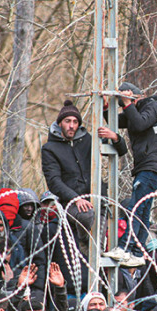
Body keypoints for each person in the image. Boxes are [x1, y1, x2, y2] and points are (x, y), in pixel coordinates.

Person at [41, 100, 128, 255]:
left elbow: (121, 151)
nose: (71, 126)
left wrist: (115, 137)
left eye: (75, 122)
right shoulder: (50, 148)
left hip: (97, 199)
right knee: (86, 216)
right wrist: (75, 198)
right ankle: (83, 241)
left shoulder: (88, 139)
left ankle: (94, 257)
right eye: (67, 121)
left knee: (96, 251)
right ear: (60, 123)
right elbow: (54, 181)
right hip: (72, 203)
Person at [108, 82, 157, 257]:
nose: (128, 108)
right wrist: (106, 107)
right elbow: (115, 121)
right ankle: (137, 251)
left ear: (137, 97)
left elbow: (139, 124)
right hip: (147, 167)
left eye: (130, 102)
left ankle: (125, 247)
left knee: (134, 207)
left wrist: (128, 104)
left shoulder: (153, 107)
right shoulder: (135, 112)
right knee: (142, 210)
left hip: (152, 167)